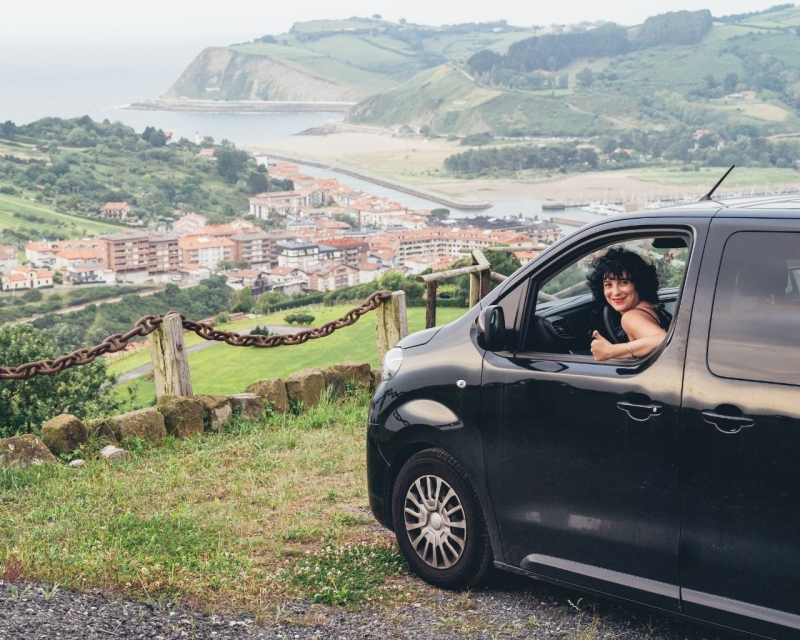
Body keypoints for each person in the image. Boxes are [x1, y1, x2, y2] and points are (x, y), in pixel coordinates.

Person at [586, 247, 668, 361]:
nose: (615, 292)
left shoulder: (631, 317)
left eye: (624, 282)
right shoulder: (651, 307)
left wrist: (611, 351)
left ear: (638, 284)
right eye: (608, 285)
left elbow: (662, 340)